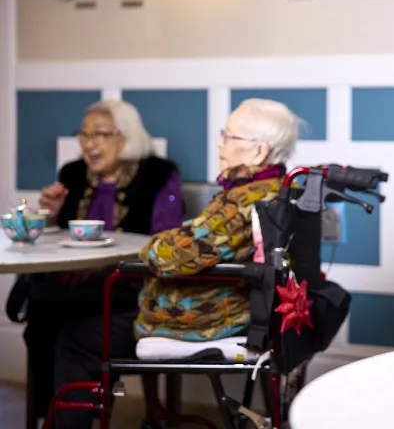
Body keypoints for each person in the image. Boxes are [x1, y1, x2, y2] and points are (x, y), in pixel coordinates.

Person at [20, 100, 185, 429]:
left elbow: (163, 242)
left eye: (100, 134)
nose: (88, 143)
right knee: (41, 319)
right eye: (83, 135)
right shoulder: (72, 174)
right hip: (73, 289)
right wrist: (50, 215)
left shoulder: (158, 174)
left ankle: (68, 414)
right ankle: (58, 412)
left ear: (126, 137)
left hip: (128, 286)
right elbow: (54, 240)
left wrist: (99, 267)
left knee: (52, 312)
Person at [135, 98, 300, 341]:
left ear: (259, 151)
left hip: (221, 317)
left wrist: (151, 246)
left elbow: (167, 256)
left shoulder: (244, 201)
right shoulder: (283, 189)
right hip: (251, 307)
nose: (219, 143)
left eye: (228, 137)